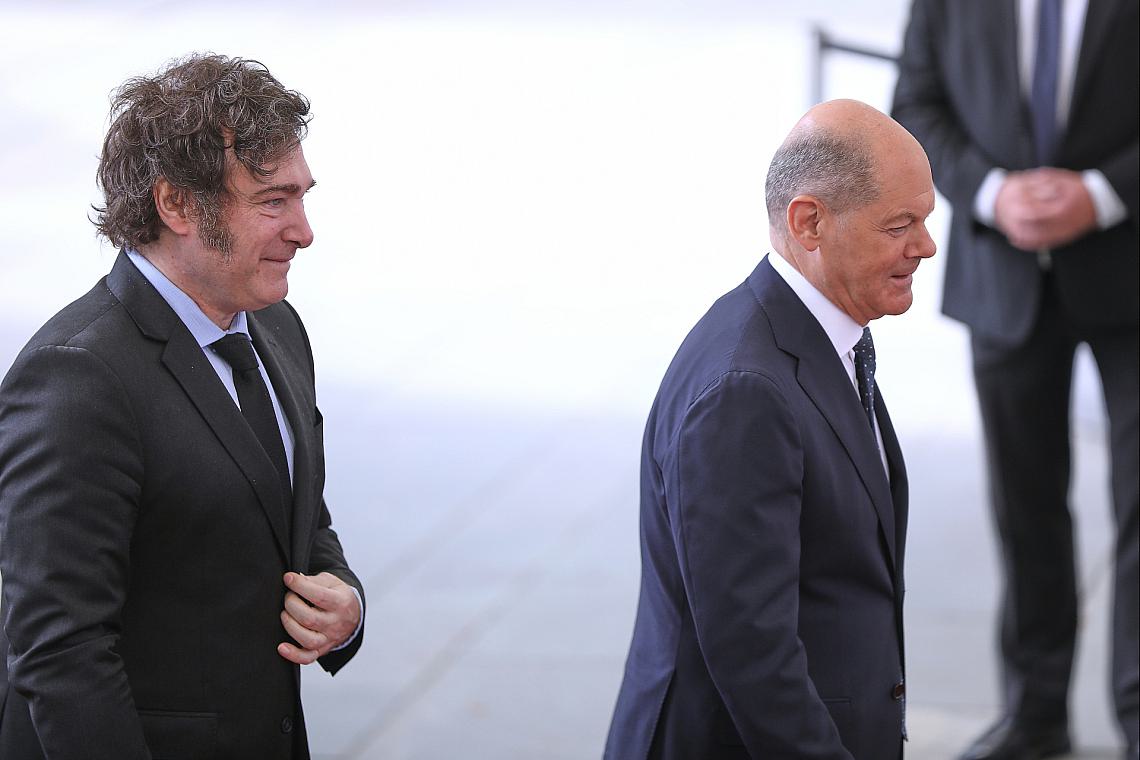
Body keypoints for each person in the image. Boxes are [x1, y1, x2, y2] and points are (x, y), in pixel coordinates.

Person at [0, 54, 365, 760]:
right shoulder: (76, 378)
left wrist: (344, 603)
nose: (303, 230)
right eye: (273, 201)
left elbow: (294, 511)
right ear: (176, 205)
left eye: (301, 197)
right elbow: (61, 654)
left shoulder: (277, 328)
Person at [604, 99, 936, 760]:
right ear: (809, 222)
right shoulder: (744, 393)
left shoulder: (814, 338)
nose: (925, 246)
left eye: (926, 220)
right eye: (900, 225)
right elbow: (753, 655)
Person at [891, 1, 1138, 757]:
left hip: (1131, 263)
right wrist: (991, 191)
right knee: (1024, 505)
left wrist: (1101, 193)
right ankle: (1035, 713)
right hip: (1000, 273)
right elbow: (915, 106)